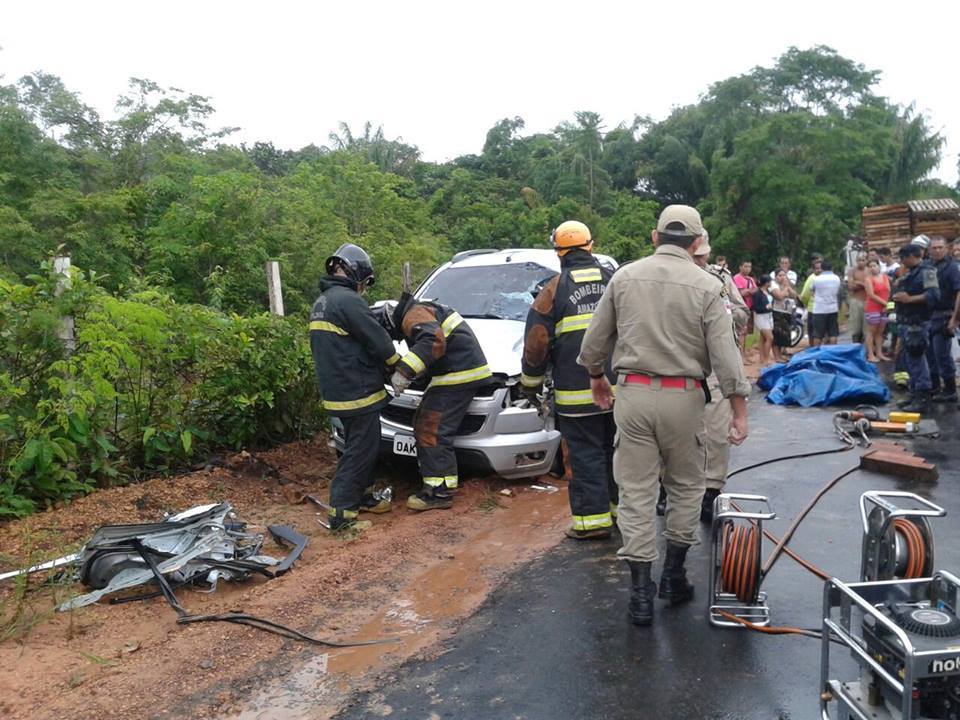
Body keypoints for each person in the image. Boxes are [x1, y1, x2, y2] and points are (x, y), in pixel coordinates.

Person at [577, 204, 750, 628]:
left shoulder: (624, 276)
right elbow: (726, 356)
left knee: (635, 490)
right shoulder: (708, 285)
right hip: (685, 398)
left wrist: (598, 377)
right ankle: (673, 576)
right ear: (695, 244)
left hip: (633, 395)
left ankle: (639, 594)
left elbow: (595, 341)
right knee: (687, 486)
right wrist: (739, 411)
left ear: (655, 238)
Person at [520, 220, 618, 539]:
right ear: (591, 246)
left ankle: (593, 522)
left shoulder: (553, 289)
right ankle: (621, 513)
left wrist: (530, 385)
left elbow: (536, 343)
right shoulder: (614, 280)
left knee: (586, 453)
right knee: (618, 450)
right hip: (622, 391)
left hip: (577, 395)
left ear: (559, 253)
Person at [309, 244, 399, 532]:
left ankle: (363, 497)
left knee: (361, 448)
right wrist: (399, 366)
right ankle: (342, 517)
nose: (364, 288)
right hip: (357, 392)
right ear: (357, 274)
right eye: (365, 281)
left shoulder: (323, 301)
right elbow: (379, 340)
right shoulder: (348, 301)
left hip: (337, 392)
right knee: (359, 452)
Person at [380, 293, 492, 511]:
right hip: (456, 371)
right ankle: (438, 486)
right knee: (424, 424)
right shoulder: (421, 309)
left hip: (459, 373)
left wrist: (404, 371)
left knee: (431, 429)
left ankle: (439, 492)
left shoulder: (413, 314)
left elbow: (433, 341)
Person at [693, 236, 749, 521]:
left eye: (703, 256)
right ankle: (668, 490)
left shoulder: (720, 279)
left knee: (715, 433)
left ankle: (711, 491)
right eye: (695, 255)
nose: (699, 261)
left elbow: (742, 313)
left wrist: (724, 309)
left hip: (715, 366)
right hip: (682, 366)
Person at [892, 244, 940, 412]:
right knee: (910, 361)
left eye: (903, 258)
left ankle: (923, 397)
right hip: (906, 322)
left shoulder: (927, 271)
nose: (902, 262)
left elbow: (933, 295)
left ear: (911, 256)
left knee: (918, 361)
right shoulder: (912, 272)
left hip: (917, 323)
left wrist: (909, 299)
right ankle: (914, 393)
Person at [924, 237, 960, 403]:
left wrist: (954, 318)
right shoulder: (929, 266)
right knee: (930, 354)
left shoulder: (952, 267)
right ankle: (935, 387)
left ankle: (951, 390)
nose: (937, 250)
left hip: (945, 314)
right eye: (934, 248)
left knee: (942, 355)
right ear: (929, 250)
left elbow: (958, 292)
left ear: (946, 248)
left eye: (940, 247)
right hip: (929, 316)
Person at [863, 259, 891, 362]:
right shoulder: (868, 279)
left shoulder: (884, 277)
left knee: (880, 332)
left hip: (883, 307)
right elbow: (871, 294)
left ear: (879, 266)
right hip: (873, 308)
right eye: (870, 266)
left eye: (874, 265)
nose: (872, 268)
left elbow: (888, 290)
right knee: (871, 331)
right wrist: (884, 303)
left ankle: (879, 353)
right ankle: (870, 354)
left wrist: (887, 304)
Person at [810, 260, 841, 346]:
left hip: (819, 309)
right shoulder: (836, 278)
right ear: (832, 268)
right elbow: (838, 291)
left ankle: (817, 354)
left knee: (818, 334)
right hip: (833, 308)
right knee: (833, 333)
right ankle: (833, 353)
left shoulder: (816, 279)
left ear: (822, 268)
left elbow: (812, 291)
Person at [770, 269, 798, 361]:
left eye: (784, 275)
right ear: (776, 277)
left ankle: (780, 355)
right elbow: (779, 296)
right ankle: (776, 357)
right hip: (777, 311)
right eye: (780, 275)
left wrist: (787, 287)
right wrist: (786, 289)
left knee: (784, 336)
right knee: (777, 335)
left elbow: (794, 295)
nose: (782, 277)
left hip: (787, 312)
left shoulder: (786, 285)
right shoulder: (773, 284)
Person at [733, 261, 758, 357]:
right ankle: (740, 356)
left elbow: (755, 290)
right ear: (740, 267)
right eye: (745, 266)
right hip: (741, 307)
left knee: (746, 332)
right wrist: (749, 291)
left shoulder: (751, 279)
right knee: (741, 332)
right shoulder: (737, 278)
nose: (747, 268)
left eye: (749, 266)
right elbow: (740, 293)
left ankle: (743, 354)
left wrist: (748, 291)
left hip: (750, 307)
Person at [845, 252, 868, 345]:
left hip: (867, 301)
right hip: (856, 301)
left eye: (863, 260)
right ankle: (855, 347)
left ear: (866, 261)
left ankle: (866, 349)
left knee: (866, 329)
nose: (861, 262)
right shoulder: (852, 271)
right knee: (855, 329)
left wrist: (859, 282)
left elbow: (870, 286)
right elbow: (850, 286)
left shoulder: (869, 270)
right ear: (856, 261)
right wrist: (863, 284)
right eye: (859, 260)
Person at [753, 275, 775, 364]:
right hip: (761, 317)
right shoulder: (758, 294)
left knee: (763, 338)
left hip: (768, 316)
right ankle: (766, 359)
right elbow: (757, 308)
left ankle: (762, 358)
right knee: (770, 338)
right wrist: (767, 308)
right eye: (770, 282)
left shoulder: (768, 292)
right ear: (766, 283)